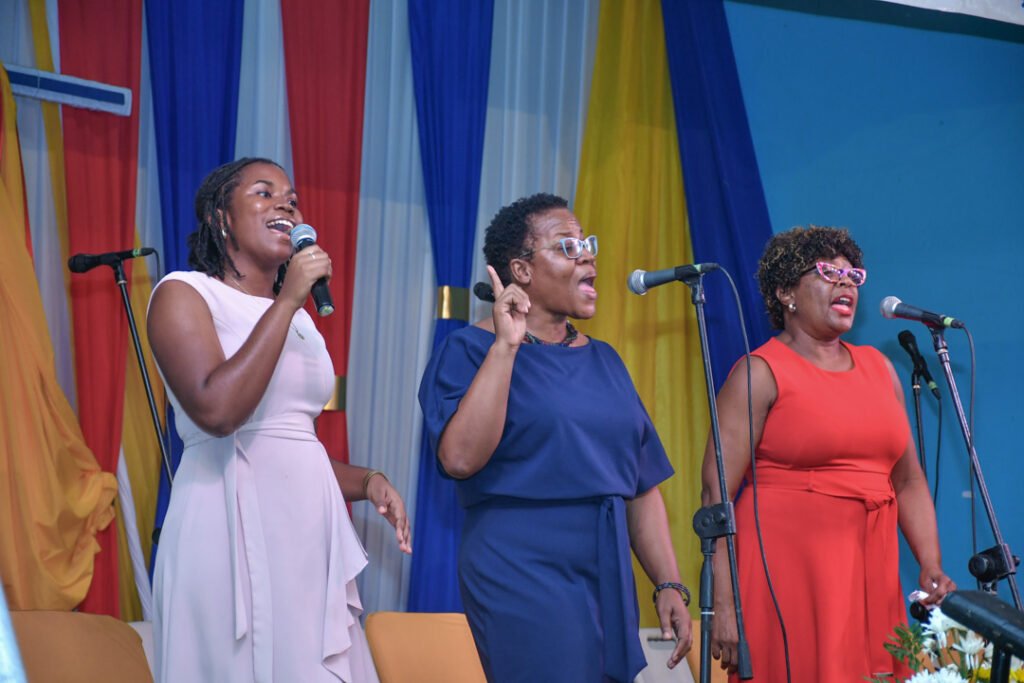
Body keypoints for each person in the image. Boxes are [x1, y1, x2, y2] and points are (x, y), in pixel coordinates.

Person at [147, 157, 411, 683]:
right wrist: (288, 300)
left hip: (305, 539)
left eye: (291, 196)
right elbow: (218, 411)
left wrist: (368, 481)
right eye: (264, 194)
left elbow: (289, 441)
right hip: (224, 529)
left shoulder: (299, 319)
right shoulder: (184, 294)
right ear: (221, 218)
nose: (286, 203)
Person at [418, 193, 692, 682]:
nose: (587, 255)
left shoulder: (605, 359)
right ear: (521, 271)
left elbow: (640, 484)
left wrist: (667, 583)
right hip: (520, 562)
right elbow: (459, 458)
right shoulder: (469, 349)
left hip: (604, 567)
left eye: (587, 243)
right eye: (566, 246)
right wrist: (506, 344)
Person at [702, 226, 955, 682]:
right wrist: (724, 603)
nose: (846, 283)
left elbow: (908, 480)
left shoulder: (880, 370)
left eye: (852, 275)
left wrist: (930, 562)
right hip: (787, 574)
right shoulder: (758, 373)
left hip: (870, 568)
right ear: (785, 292)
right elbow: (715, 495)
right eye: (827, 272)